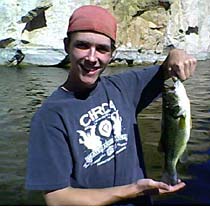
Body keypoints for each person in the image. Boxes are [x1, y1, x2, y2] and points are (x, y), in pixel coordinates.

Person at [25, 5, 197, 206]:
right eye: (82, 45)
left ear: (112, 54)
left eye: (102, 49)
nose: (92, 57)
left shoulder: (124, 88)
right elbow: (57, 199)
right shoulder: (50, 117)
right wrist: (132, 190)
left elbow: (167, 67)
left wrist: (177, 53)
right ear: (66, 46)